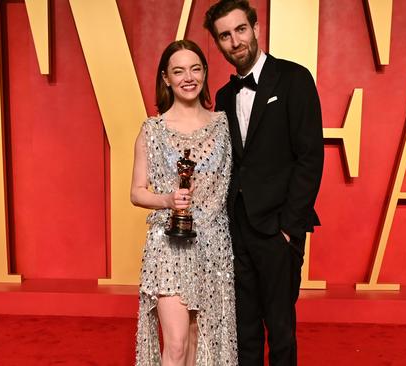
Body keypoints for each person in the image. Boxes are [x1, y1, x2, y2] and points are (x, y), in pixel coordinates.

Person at [204, 1, 325, 365]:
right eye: (224, 35)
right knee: (245, 332)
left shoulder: (294, 79)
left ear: (255, 27)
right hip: (236, 230)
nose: (234, 41)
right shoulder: (224, 98)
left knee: (282, 331)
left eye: (240, 29)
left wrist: (289, 227)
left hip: (277, 230)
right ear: (218, 43)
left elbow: (310, 157)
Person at [131, 40, 237, 366]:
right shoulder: (152, 130)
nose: (188, 77)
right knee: (176, 344)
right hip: (170, 247)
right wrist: (167, 199)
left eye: (195, 68)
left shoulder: (224, 126)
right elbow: (137, 192)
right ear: (166, 78)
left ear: (205, 72)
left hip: (215, 248)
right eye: (178, 71)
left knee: (199, 339)